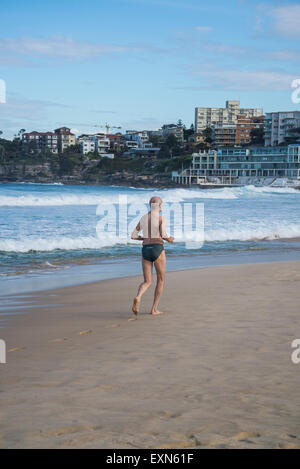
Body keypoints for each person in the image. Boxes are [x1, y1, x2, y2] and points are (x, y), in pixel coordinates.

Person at [131, 196, 174, 316]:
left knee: (147, 281)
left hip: (145, 250)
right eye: (162, 205)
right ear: (159, 206)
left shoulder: (143, 218)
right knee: (160, 280)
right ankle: (154, 309)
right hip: (157, 249)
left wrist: (144, 238)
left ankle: (138, 296)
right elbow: (163, 233)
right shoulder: (161, 219)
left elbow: (133, 236)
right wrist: (169, 239)